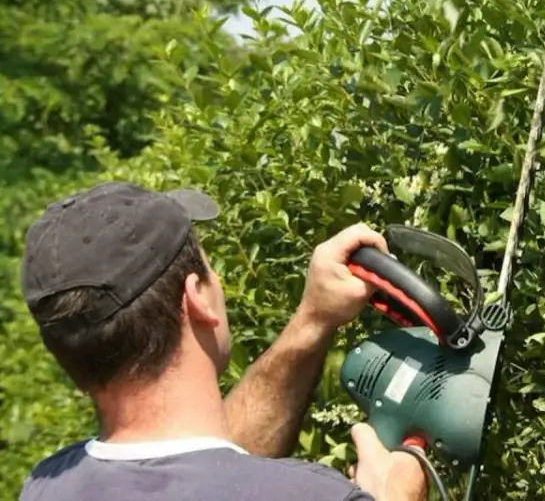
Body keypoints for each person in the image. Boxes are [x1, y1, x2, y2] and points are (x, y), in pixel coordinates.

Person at [16, 181, 427, 500]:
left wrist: (313, 321)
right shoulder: (318, 497)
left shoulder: (46, 488)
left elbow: (210, 472)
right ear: (196, 297)